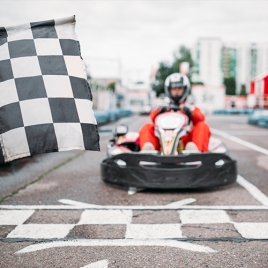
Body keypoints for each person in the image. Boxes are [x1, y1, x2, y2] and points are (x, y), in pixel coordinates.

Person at [139, 73, 211, 152]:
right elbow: (152, 117)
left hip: (184, 140)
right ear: (169, 90)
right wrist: (159, 111)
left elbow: (201, 118)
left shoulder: (190, 106)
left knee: (202, 126)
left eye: (179, 88)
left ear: (185, 89)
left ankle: (196, 152)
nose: (176, 91)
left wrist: (190, 113)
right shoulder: (164, 105)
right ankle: (148, 152)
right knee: (147, 126)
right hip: (163, 139)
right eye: (173, 89)